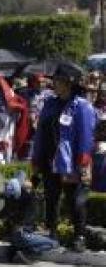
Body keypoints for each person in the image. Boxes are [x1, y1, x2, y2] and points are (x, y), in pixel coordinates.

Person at [31, 61, 96, 253]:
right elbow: (41, 132)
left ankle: (79, 236)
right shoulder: (50, 103)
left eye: (58, 80)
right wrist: (36, 158)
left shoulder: (81, 106)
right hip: (50, 158)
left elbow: (86, 135)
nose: (54, 84)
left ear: (69, 83)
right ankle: (52, 233)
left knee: (75, 200)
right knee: (51, 197)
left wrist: (83, 161)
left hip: (71, 162)